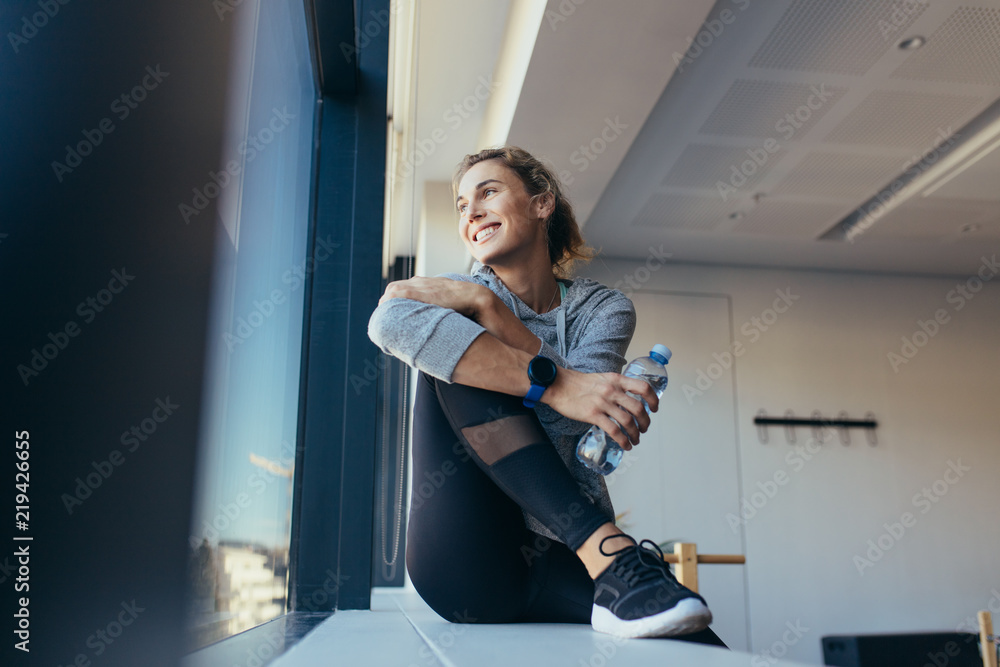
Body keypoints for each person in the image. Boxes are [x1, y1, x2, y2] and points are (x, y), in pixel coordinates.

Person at [368, 146, 721, 643]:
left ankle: (613, 566)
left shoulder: (601, 309)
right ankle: (612, 553)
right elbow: (386, 320)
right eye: (462, 204)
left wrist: (499, 319)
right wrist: (491, 312)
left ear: (542, 204)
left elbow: (579, 432)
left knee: (689, 631)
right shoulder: (458, 293)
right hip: (466, 556)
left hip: (556, 551)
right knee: (456, 348)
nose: (471, 211)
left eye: (488, 191)